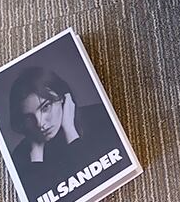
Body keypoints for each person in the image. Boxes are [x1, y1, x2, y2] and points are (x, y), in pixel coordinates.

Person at [8, 66, 120, 201]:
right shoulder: (20, 156)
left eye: (45, 107)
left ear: (63, 97)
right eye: (29, 117)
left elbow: (104, 182)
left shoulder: (101, 117)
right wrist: (36, 154)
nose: (39, 123)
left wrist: (70, 131)